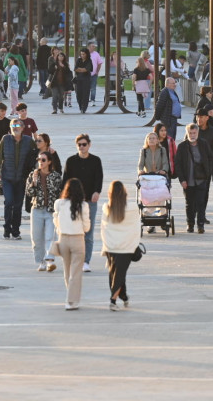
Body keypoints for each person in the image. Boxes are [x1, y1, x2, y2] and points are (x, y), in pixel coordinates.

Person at [61, 133, 103, 272]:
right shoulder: (71, 161)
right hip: (74, 201)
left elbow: (99, 178)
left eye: (84, 144)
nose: (82, 147)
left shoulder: (96, 160)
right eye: (79, 145)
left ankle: (86, 261)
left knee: (88, 232)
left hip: (90, 201)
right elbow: (65, 180)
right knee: (74, 231)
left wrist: (97, 191)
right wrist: (64, 198)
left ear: (89, 145)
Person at [0, 118, 36, 240]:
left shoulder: (28, 140)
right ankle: (7, 228)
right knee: (9, 202)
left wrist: (48, 151)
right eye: (13, 125)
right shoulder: (5, 139)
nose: (15, 127)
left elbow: (37, 153)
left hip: (22, 179)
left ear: (22, 128)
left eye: (17, 125)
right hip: (7, 178)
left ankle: (16, 230)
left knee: (17, 205)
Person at [50, 178, 90, 310]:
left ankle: (70, 296)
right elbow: (86, 227)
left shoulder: (59, 203)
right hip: (78, 239)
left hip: (63, 239)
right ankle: (71, 301)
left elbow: (55, 220)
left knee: (67, 271)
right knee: (76, 273)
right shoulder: (83, 205)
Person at [100, 181, 140, 311]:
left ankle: (121, 296)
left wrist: (106, 244)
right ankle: (114, 299)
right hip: (126, 246)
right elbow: (136, 227)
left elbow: (104, 228)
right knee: (120, 273)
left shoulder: (107, 208)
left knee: (115, 273)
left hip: (112, 245)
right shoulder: (133, 208)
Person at [25, 150, 62, 272]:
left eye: (43, 160)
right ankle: (41, 261)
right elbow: (29, 194)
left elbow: (58, 192)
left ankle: (50, 261)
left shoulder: (56, 176)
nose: (40, 162)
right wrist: (34, 182)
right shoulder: (32, 175)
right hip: (37, 209)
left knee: (50, 236)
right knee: (36, 238)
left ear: (49, 162)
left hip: (51, 210)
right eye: (39, 160)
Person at [175, 123, 213, 234]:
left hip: (201, 178)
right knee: (189, 203)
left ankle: (200, 225)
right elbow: (178, 164)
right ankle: (190, 224)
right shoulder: (182, 146)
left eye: (194, 133)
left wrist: (208, 173)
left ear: (198, 132)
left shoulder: (204, 144)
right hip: (188, 180)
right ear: (187, 134)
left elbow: (210, 158)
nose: (192, 135)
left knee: (201, 202)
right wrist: (182, 179)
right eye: (190, 133)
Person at [73, 48, 94, 114]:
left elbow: (87, 69)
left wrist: (81, 69)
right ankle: (80, 106)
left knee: (85, 94)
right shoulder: (78, 60)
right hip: (78, 79)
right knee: (78, 93)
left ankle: (84, 108)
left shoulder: (89, 61)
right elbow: (76, 69)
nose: (82, 55)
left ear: (87, 54)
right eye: (81, 54)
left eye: (83, 54)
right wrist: (82, 69)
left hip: (86, 80)